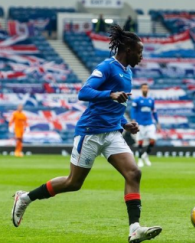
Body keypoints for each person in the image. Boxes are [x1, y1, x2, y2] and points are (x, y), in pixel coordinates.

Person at [11, 25, 162, 243]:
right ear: (128, 49)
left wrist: (125, 123)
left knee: (134, 173)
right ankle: (25, 198)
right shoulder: (107, 66)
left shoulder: (128, 72)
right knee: (73, 183)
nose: (141, 56)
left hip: (112, 133)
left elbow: (114, 106)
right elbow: (84, 92)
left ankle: (134, 228)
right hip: (90, 132)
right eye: (139, 52)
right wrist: (110, 94)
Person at [131, 83, 161, 167]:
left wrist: (157, 122)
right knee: (140, 141)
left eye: (146, 88)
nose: (145, 89)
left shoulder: (151, 100)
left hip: (150, 123)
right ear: (141, 89)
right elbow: (133, 110)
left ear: (148, 89)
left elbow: (154, 112)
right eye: (143, 88)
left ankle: (145, 155)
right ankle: (140, 159)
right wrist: (133, 119)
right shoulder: (137, 100)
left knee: (153, 140)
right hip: (140, 123)